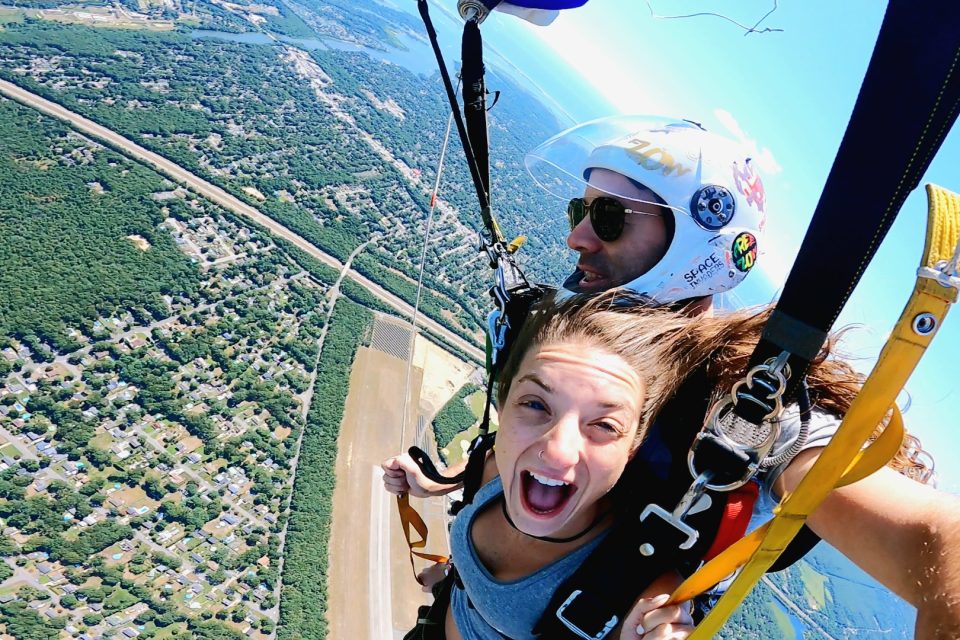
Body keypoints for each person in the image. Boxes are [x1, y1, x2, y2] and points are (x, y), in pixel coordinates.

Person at [385, 116, 960, 637]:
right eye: (578, 212)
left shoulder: (748, 408)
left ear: (693, 246)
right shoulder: (571, 341)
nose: (577, 237)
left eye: (608, 218)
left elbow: (936, 536)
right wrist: (445, 481)